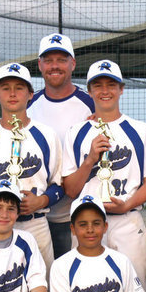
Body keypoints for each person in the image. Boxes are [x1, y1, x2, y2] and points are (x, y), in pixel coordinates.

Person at [63, 59, 146, 292]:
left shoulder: (141, 130)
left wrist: (128, 204)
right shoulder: (76, 132)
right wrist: (90, 159)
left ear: (121, 89)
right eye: (98, 85)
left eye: (111, 85)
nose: (105, 91)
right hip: (87, 224)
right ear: (89, 91)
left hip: (127, 220)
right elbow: (70, 188)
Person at [0, 62, 63, 270]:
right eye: (6, 88)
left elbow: (59, 183)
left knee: (41, 291)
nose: (12, 93)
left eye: (19, 88)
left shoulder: (46, 134)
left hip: (35, 223)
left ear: (30, 94)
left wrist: (41, 200)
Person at [28, 33, 95, 260]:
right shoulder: (28, 106)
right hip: (36, 214)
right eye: (48, 60)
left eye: (61, 59)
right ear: (40, 64)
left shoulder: (91, 104)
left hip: (78, 214)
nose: (54, 66)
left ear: (73, 64)